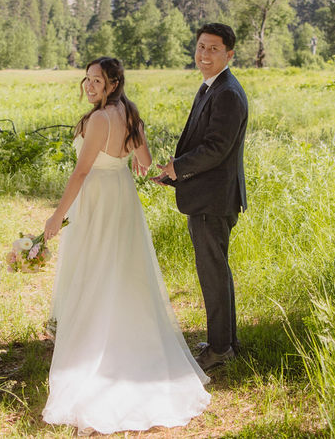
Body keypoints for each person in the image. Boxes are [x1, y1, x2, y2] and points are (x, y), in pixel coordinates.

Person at [41, 57, 210, 436]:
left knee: (94, 270)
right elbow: (145, 165)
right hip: (123, 198)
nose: (89, 85)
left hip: (98, 199)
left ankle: (95, 352)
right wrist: (132, 158)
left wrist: (56, 217)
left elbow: (81, 171)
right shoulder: (132, 118)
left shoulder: (99, 120)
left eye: (97, 80)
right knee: (123, 270)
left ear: (113, 83)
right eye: (86, 79)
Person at [155, 23, 248, 373]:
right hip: (208, 194)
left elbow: (216, 149)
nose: (204, 54)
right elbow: (204, 144)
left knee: (213, 274)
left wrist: (178, 168)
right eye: (201, 47)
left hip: (214, 200)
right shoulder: (213, 86)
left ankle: (221, 350)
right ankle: (225, 343)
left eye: (213, 49)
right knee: (217, 272)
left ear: (229, 54)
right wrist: (176, 173)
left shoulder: (227, 92)